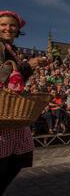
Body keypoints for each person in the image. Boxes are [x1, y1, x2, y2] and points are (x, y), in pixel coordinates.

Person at [0, 11, 43, 194]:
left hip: (11, 110)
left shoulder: (12, 50)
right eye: (3, 25)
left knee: (21, 156)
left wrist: (29, 69)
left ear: (18, 29)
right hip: (2, 110)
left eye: (12, 25)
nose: (8, 28)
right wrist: (27, 66)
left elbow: (16, 80)